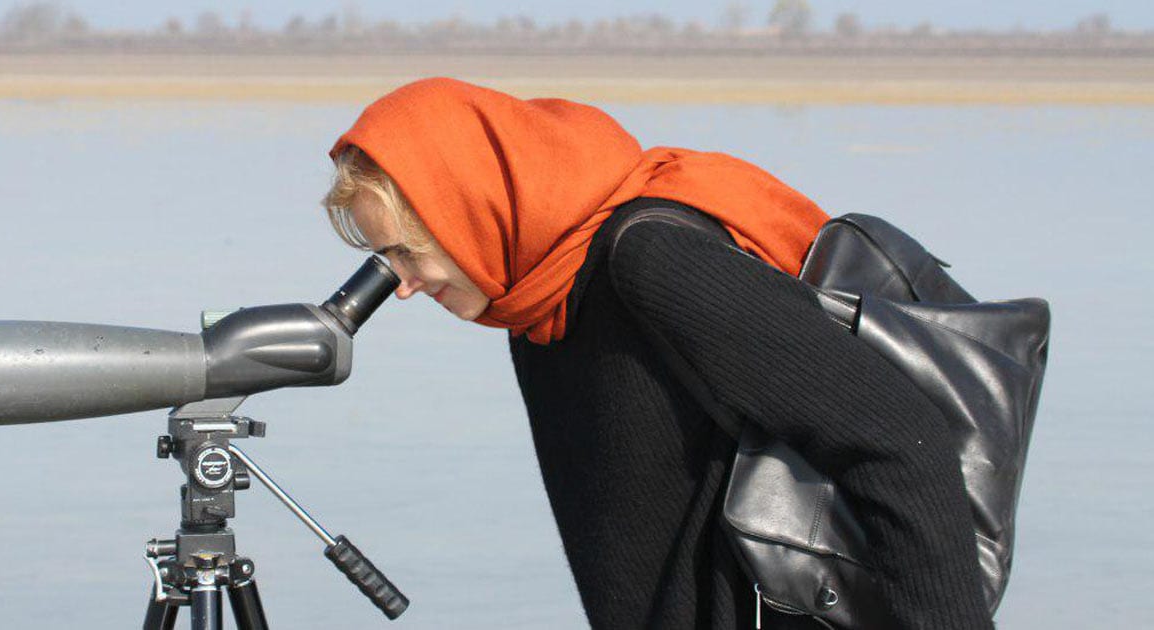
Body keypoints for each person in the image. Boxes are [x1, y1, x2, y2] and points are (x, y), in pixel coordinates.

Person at [321, 77, 993, 630]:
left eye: (408, 252)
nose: (402, 286)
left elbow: (901, 438)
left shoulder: (648, 263)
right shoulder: (540, 304)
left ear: (472, 211)